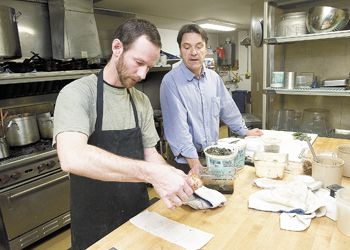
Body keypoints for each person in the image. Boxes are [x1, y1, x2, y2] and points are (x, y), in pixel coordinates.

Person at [53, 19, 194, 250]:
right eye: (138, 62)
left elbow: (151, 154)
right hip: (94, 223)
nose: (142, 74)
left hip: (138, 216)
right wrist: (151, 173)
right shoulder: (78, 94)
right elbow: (72, 157)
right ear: (117, 48)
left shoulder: (141, 101)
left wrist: (171, 177)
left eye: (149, 66)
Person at [160, 24, 262, 175]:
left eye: (199, 46)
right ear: (180, 51)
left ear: (206, 49)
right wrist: (194, 163)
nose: (193, 52)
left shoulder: (213, 78)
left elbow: (228, 108)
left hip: (213, 157)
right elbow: (178, 128)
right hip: (186, 163)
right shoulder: (170, 82)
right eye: (187, 47)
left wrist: (244, 131)